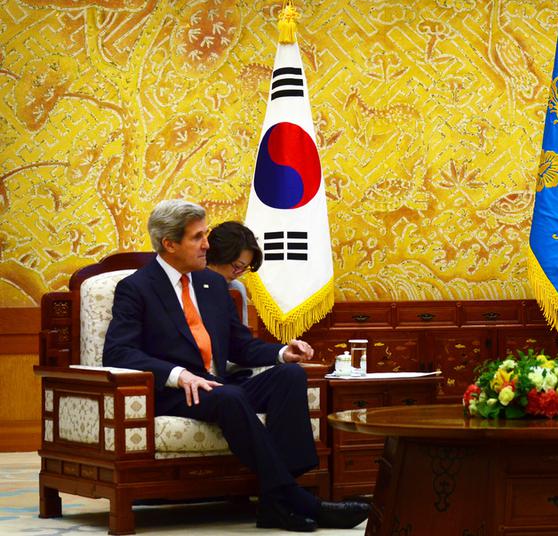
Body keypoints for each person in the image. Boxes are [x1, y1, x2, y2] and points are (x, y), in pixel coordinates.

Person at [102, 199, 369, 532]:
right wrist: (177, 375)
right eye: (197, 237)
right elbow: (117, 352)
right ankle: (299, 501)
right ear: (169, 244)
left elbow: (240, 344)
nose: (207, 245)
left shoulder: (212, 285)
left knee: (288, 376)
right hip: (178, 393)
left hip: (220, 384)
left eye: (206, 235)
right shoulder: (136, 288)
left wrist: (284, 352)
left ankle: (274, 504)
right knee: (230, 396)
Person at [206, 221, 262, 325]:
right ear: (220, 255)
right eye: (237, 266)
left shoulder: (236, 288)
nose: (239, 273)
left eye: (245, 268)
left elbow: (242, 338)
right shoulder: (188, 282)